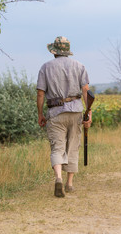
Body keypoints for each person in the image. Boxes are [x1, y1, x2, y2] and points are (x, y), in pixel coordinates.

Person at [36, 36, 92, 197]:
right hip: (75, 111)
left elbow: (40, 93)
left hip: (55, 112)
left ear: (54, 52)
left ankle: (58, 178)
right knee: (73, 145)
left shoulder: (45, 67)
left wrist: (40, 114)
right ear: (67, 51)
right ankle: (69, 183)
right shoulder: (79, 66)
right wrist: (89, 113)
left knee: (57, 147)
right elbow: (86, 91)